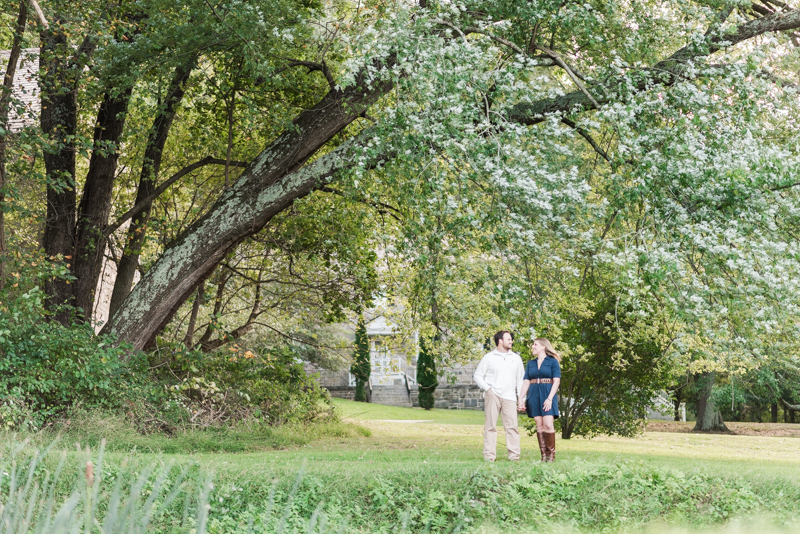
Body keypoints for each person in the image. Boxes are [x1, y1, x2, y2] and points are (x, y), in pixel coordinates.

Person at [473, 331, 525, 462]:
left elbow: (520, 380)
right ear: (500, 340)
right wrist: (488, 389)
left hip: (510, 397)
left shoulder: (516, 358)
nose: (511, 341)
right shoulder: (489, 357)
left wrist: (521, 399)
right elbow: (478, 375)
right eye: (508, 339)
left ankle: (514, 456)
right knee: (490, 426)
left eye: (511, 339)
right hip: (493, 395)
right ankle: (489, 456)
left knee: (512, 427)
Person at [517, 338, 561, 462]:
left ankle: (551, 455)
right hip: (534, 394)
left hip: (547, 393)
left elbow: (556, 381)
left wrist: (549, 399)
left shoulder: (553, 362)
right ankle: (543, 456)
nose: (533, 347)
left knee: (548, 424)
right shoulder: (530, 363)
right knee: (539, 425)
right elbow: (526, 382)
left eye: (535, 344)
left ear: (543, 347)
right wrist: (521, 398)